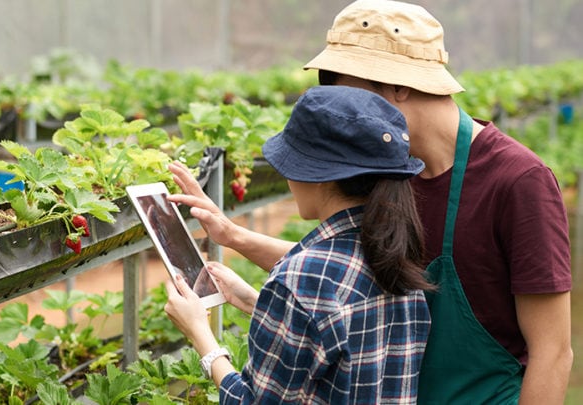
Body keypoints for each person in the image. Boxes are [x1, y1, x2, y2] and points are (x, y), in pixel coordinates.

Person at [172, 0, 574, 403]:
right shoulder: (388, 172)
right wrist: (234, 237)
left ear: (399, 84)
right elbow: (350, 273)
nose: (339, 108)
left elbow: (552, 352)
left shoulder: (518, 181)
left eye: (343, 88)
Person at [165, 85, 434, 403]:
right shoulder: (397, 253)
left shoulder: (302, 279)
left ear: (319, 175)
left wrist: (200, 335)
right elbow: (336, 341)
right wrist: (256, 300)